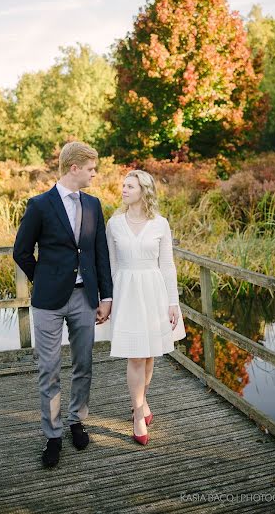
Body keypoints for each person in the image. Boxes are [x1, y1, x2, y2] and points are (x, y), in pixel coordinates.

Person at [13, 141, 112, 467]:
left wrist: (105, 297)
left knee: (84, 364)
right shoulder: (40, 205)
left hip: (84, 299)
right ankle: (53, 435)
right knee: (49, 369)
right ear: (74, 167)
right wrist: (43, 278)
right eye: (91, 168)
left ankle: (75, 420)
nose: (94, 174)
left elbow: (100, 255)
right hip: (48, 303)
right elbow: (22, 251)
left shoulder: (94, 205)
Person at [106, 170, 186, 445]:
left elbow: (167, 265)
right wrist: (108, 299)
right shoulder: (114, 224)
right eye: (124, 185)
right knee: (136, 356)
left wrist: (173, 302)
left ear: (144, 191)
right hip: (126, 292)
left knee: (150, 354)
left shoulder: (160, 224)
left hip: (154, 293)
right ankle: (138, 413)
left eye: (130, 186)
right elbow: (111, 265)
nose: (124, 189)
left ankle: (142, 401)